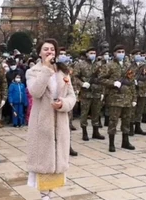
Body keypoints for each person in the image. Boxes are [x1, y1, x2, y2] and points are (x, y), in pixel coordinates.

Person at [26, 39, 76, 200]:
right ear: (39, 52)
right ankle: (44, 195)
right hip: (42, 123)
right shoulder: (33, 71)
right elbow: (35, 92)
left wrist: (64, 104)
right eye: (46, 49)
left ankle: (49, 194)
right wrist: (46, 69)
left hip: (60, 122)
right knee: (43, 161)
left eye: (52, 50)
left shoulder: (63, 72)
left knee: (57, 160)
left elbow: (72, 96)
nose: (49, 52)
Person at [99, 45, 136, 152]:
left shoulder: (128, 65)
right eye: (118, 51)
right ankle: (111, 143)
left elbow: (132, 82)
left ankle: (125, 141)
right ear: (114, 53)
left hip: (127, 98)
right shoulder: (109, 66)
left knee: (126, 120)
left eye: (122, 51)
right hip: (115, 99)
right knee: (113, 121)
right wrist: (112, 83)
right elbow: (101, 79)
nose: (121, 53)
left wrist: (134, 98)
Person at [72, 48, 105, 141]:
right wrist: (82, 84)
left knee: (96, 113)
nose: (93, 54)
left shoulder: (99, 65)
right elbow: (75, 77)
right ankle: (84, 132)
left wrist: (102, 92)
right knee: (84, 113)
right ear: (86, 54)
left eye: (94, 53)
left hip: (97, 92)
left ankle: (96, 132)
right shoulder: (80, 64)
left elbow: (103, 79)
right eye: (91, 53)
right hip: (86, 93)